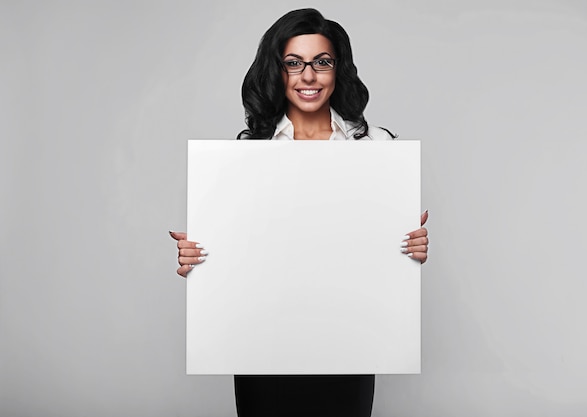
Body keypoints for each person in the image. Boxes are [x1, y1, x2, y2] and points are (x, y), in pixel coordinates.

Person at [169, 8, 429, 417]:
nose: (308, 76)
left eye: (322, 62)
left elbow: (380, 250)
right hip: (262, 342)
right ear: (278, 72)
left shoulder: (376, 147)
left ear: (337, 71)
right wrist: (198, 259)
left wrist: (411, 246)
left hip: (350, 339)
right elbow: (236, 255)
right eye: (293, 64)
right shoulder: (245, 154)